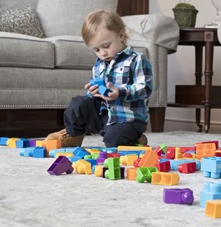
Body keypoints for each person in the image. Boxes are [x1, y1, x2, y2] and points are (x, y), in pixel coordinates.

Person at [46, 10, 153, 148]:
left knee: (114, 142)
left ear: (121, 35)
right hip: (104, 115)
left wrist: (119, 93)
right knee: (78, 103)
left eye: (106, 46)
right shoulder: (100, 63)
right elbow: (95, 93)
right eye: (96, 49)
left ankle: (136, 138)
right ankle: (74, 135)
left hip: (128, 118)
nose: (102, 53)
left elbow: (145, 88)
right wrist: (92, 91)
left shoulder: (137, 59)